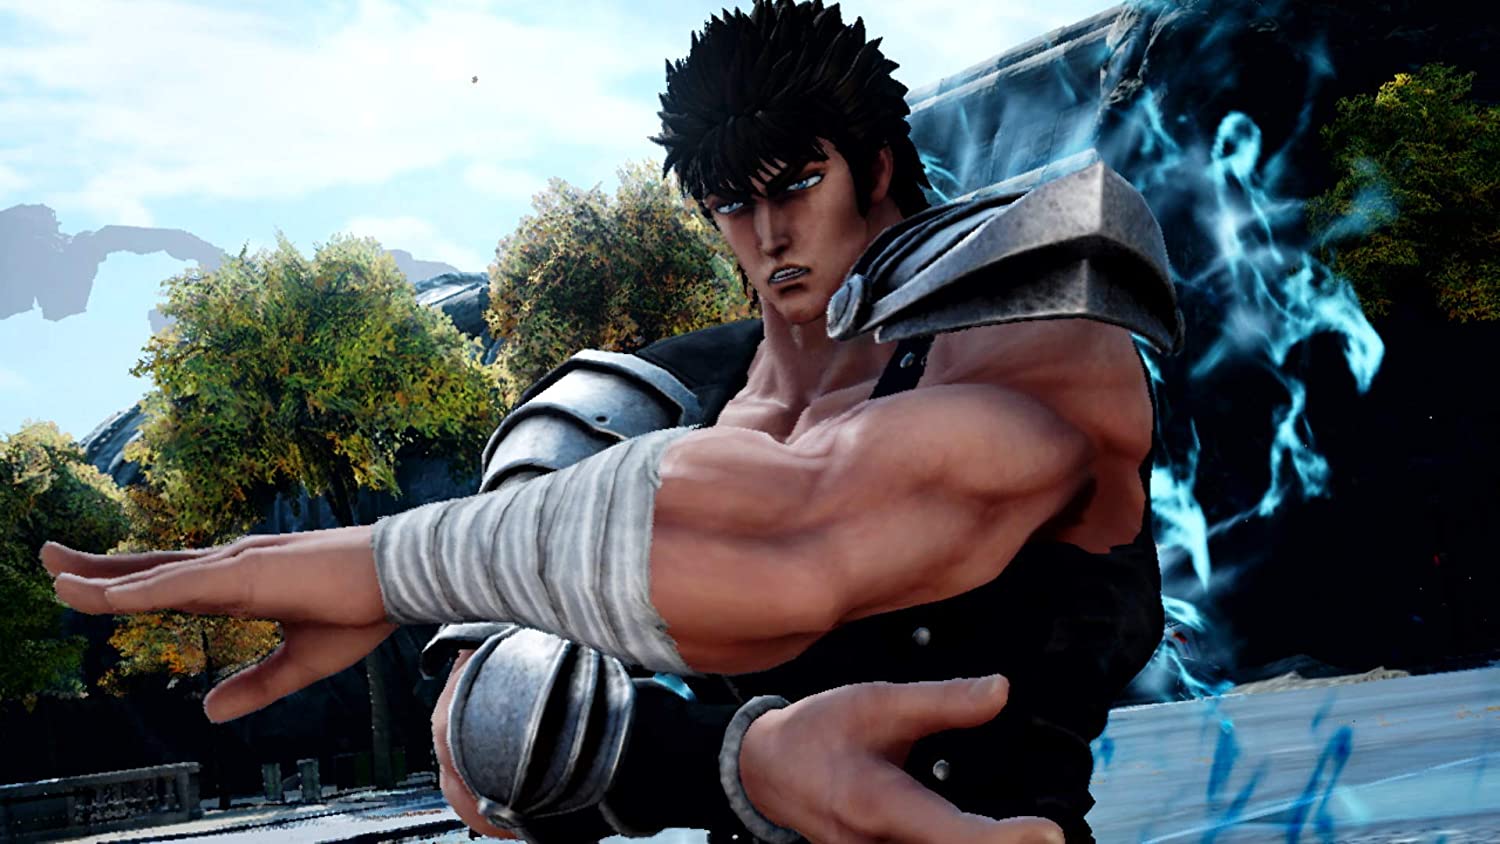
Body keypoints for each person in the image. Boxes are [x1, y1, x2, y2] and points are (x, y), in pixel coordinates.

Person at [43, 2, 1179, 842]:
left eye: (796, 183)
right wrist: (740, 766)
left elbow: (799, 537)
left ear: (875, 166)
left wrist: (386, 567)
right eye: (732, 202)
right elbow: (485, 738)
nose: (769, 235)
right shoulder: (640, 397)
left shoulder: (1032, 332)